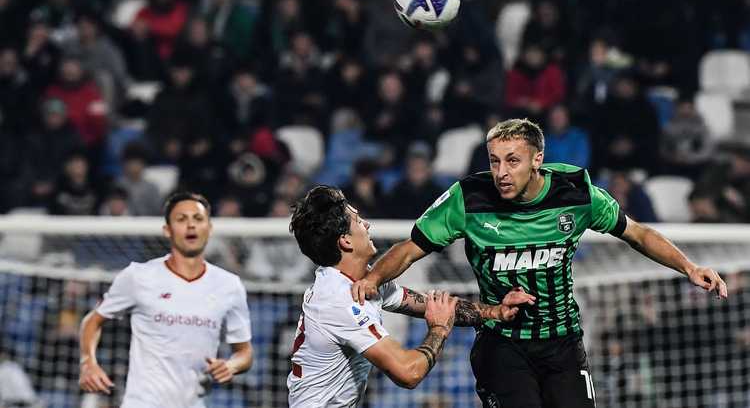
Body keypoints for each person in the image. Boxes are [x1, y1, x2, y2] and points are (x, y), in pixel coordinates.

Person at [351, 118, 728, 408]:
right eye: (494, 161)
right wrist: (373, 279)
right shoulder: (467, 199)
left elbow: (637, 233)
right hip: (502, 344)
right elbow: (410, 247)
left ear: (537, 160)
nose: (500, 172)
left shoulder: (576, 193)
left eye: (512, 161)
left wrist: (689, 268)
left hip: (563, 344)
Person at [287, 186, 535, 407]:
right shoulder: (339, 301)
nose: (367, 225)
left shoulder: (362, 282)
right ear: (346, 241)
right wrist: (438, 329)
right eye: (358, 221)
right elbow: (408, 373)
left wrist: (494, 312)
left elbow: (429, 305)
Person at [78, 192, 253, 407]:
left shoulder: (229, 285)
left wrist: (231, 366)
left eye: (198, 219)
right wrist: (88, 362)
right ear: (167, 230)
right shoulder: (138, 276)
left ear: (209, 228)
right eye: (181, 219)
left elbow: (244, 352)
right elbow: (93, 320)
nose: (191, 226)